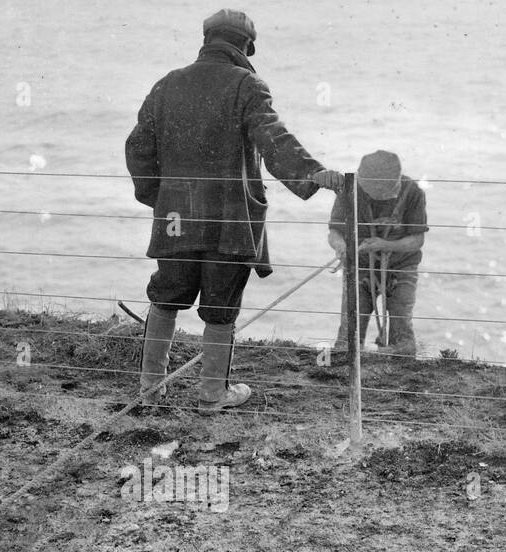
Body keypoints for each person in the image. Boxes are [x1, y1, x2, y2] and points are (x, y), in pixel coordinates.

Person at [125, 9, 342, 414]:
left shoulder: (166, 85)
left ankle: (150, 390)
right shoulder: (247, 84)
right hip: (230, 219)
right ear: (245, 46)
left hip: (176, 218)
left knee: (166, 297)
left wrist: (161, 197)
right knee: (221, 305)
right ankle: (211, 395)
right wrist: (314, 173)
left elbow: (138, 149)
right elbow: (274, 140)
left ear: (206, 40)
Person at [327, 150, 428, 358]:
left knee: (402, 329)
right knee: (349, 331)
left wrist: (384, 244)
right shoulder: (350, 190)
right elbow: (335, 233)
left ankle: (403, 372)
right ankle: (345, 373)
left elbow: (417, 240)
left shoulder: (413, 192)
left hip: (402, 267)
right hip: (360, 267)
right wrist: (341, 247)